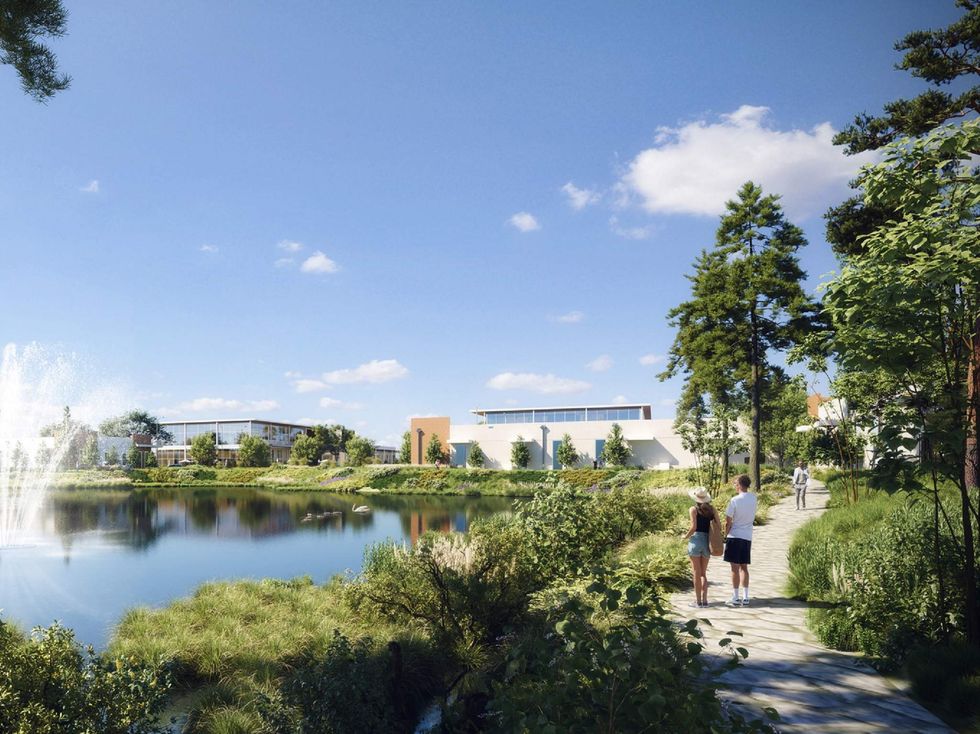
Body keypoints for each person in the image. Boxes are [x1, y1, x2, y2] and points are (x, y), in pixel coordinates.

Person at [724, 474, 757, 607]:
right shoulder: (754, 498)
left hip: (735, 535)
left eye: (735, 483)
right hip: (747, 536)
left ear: (739, 484)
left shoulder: (734, 500)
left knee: (734, 568)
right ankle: (746, 596)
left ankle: (736, 597)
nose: (734, 486)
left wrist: (725, 535)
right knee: (744, 567)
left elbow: (728, 521)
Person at [684, 487, 718, 608]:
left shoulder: (693, 509)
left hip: (695, 541)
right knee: (703, 573)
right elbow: (718, 525)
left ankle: (697, 601)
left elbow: (693, 527)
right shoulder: (712, 509)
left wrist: (685, 536)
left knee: (696, 573)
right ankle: (705, 601)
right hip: (707, 542)